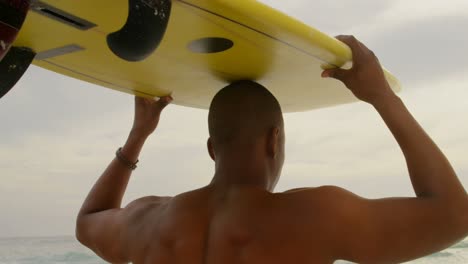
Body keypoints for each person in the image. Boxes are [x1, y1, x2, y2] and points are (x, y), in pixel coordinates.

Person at [76, 35, 468, 264]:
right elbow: (455, 215)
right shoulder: (315, 216)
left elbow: (89, 220)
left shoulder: (148, 220)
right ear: (274, 140)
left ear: (213, 148)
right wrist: (381, 96)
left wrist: (138, 135)